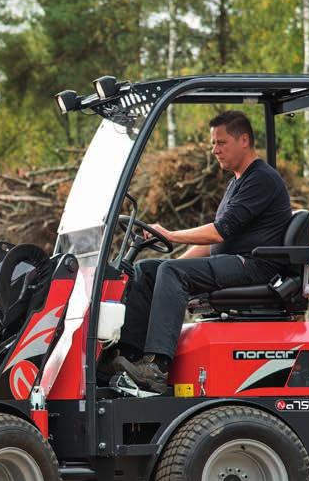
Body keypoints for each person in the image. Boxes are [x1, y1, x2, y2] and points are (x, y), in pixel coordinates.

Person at [108, 110, 293, 392]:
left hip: (255, 266)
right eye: (212, 143)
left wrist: (170, 236)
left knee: (168, 271)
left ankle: (156, 367)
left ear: (244, 140)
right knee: (148, 270)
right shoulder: (237, 181)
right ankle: (130, 356)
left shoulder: (261, 179)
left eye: (221, 142)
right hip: (232, 261)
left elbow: (219, 231)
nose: (214, 150)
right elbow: (214, 245)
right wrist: (169, 267)